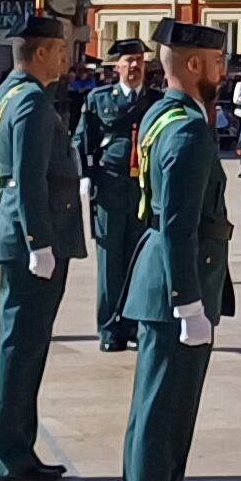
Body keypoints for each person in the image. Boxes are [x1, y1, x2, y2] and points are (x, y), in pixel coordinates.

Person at [122, 17, 235, 481]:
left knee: (154, 421)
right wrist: (189, 303)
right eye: (216, 62)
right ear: (194, 65)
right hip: (176, 292)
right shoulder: (188, 131)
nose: (223, 71)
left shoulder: (160, 115)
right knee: (162, 425)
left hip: (162, 287)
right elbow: (179, 224)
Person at [0, 14, 85, 481]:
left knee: (23, 348)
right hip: (31, 240)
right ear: (40, 52)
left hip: (24, 234)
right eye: (61, 49)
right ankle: (11, 456)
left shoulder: (10, 94)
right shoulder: (30, 104)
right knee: (22, 350)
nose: (67, 57)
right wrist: (38, 242)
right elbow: (26, 179)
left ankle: (16, 449)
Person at [80, 42, 157, 352]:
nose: (135, 67)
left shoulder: (156, 100)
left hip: (141, 190)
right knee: (111, 262)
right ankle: (110, 328)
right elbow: (83, 138)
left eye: (139, 61)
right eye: (129, 61)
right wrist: (85, 176)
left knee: (138, 261)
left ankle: (135, 325)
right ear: (117, 67)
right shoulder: (99, 100)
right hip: (110, 189)